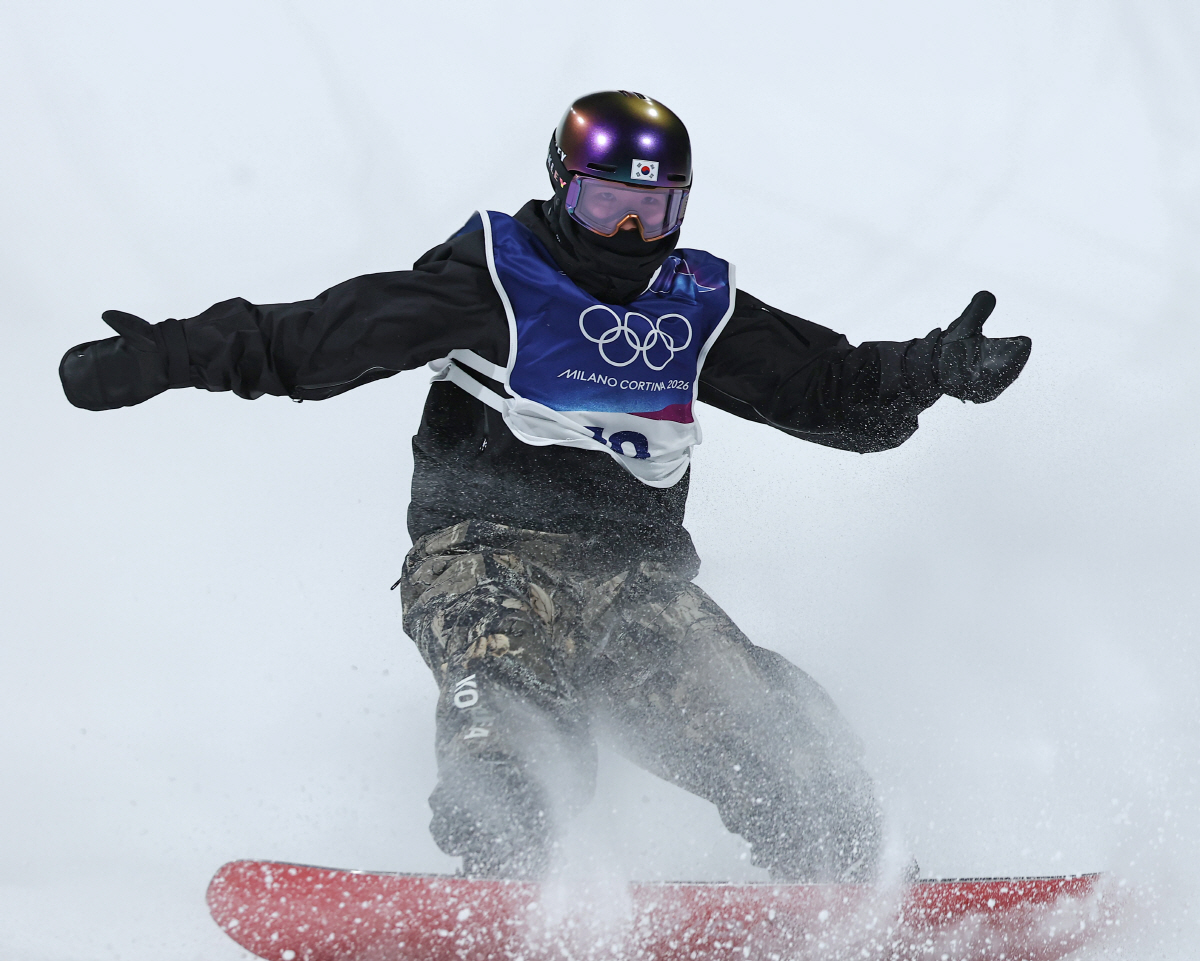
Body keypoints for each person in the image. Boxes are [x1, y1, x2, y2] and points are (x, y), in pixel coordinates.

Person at [59, 90, 1031, 882]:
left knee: (785, 741)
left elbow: (830, 393)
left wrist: (927, 370)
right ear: (562, 188)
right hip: (485, 553)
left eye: (651, 210)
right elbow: (308, 339)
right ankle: (504, 880)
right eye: (606, 203)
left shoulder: (693, 303)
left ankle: (855, 894)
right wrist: (164, 355)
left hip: (638, 586)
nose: (626, 229)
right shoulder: (491, 278)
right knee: (513, 722)